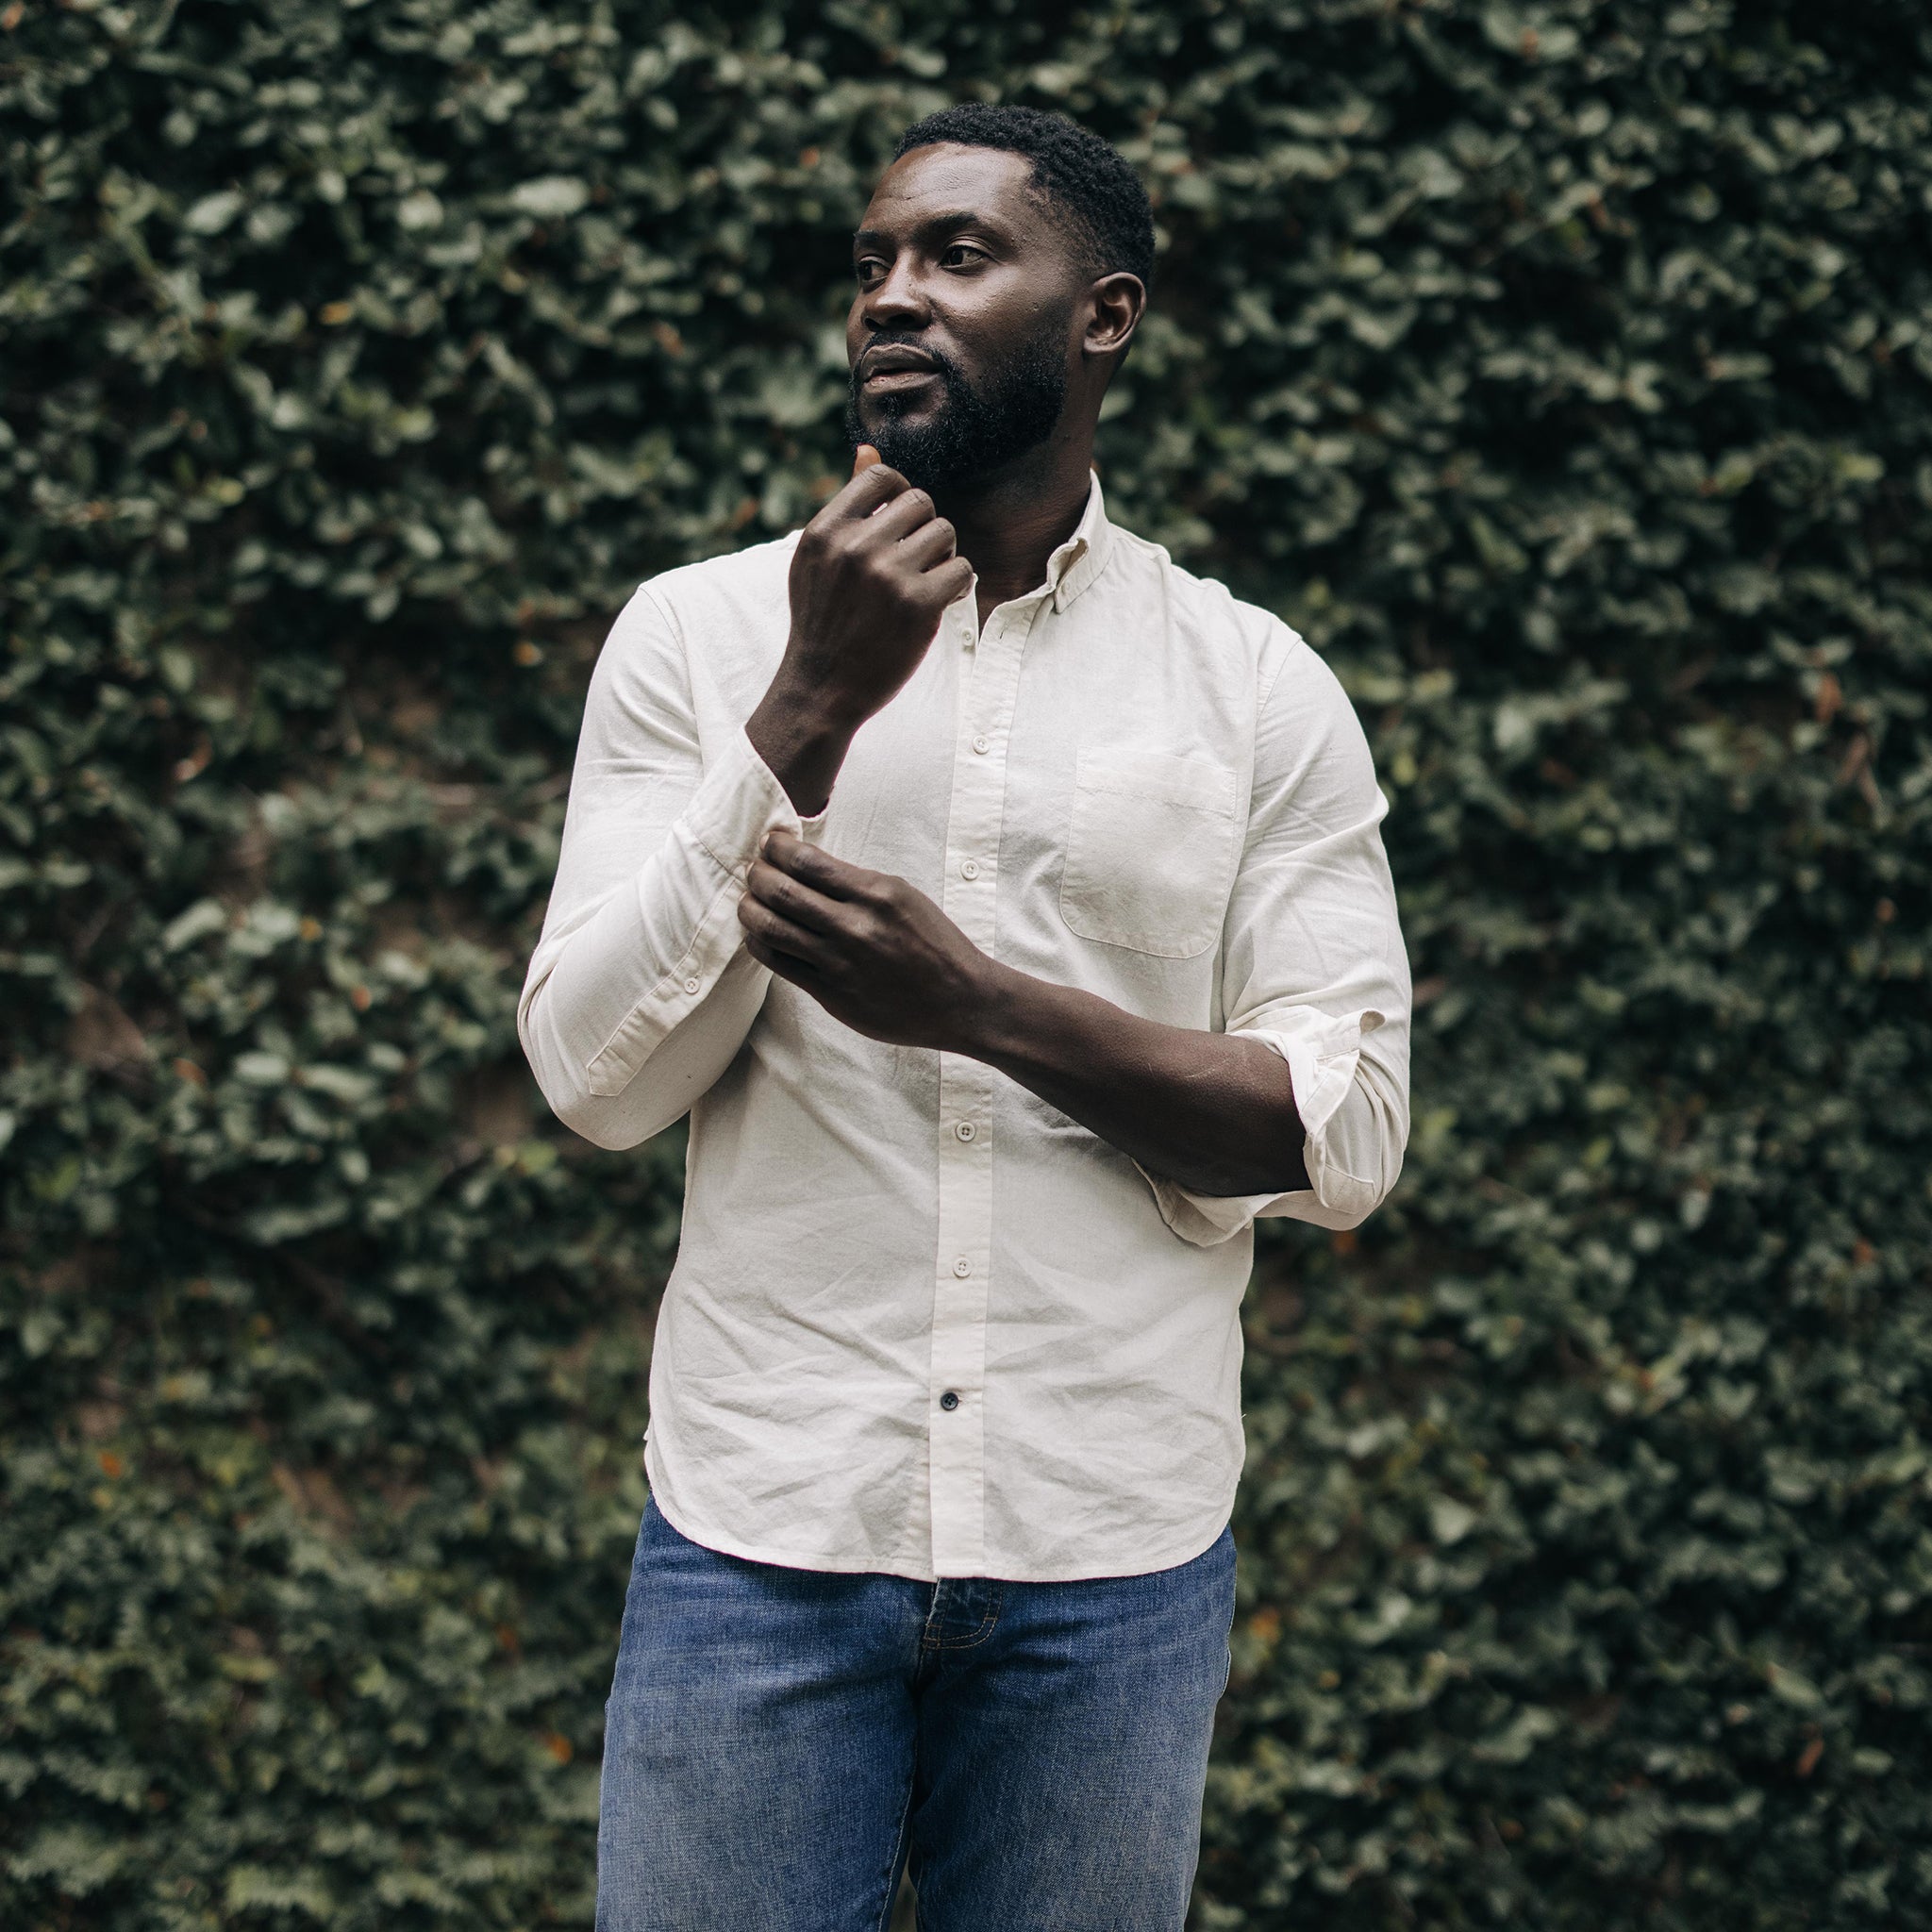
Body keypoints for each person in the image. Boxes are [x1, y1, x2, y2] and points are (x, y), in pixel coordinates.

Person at [519, 103, 1410, 1932]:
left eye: (957, 253)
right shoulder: (697, 637)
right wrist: (804, 708)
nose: (892, 297)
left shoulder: (1253, 688)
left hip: (1110, 1551)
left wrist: (982, 1008)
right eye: (872, 263)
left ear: (1105, 314)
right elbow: (594, 1081)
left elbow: (1345, 1129)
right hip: (764, 1534)